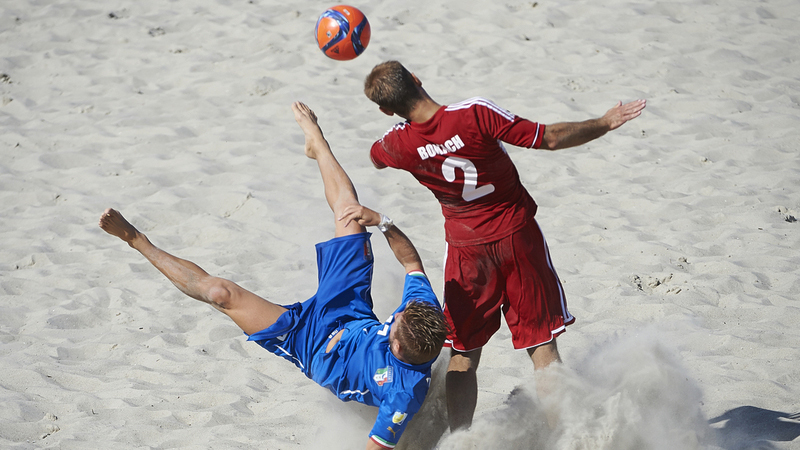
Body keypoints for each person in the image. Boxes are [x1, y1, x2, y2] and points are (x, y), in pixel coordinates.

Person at [98, 102, 449, 450]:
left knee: (221, 294)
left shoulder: (404, 395)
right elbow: (411, 263)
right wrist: (384, 222)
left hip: (309, 344)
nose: (398, 312)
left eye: (397, 320)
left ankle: (137, 240)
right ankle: (317, 141)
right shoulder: (424, 312)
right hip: (348, 310)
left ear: (398, 346)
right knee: (350, 215)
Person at [363, 61, 646, 431]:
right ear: (417, 79)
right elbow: (551, 138)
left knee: (463, 354)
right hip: (517, 237)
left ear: (386, 109)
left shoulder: (399, 144)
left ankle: (460, 437)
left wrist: (406, 130)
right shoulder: (474, 113)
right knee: (542, 348)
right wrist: (604, 122)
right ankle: (560, 437)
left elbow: (375, 156)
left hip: (466, 252)